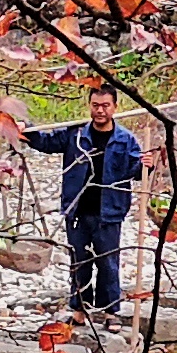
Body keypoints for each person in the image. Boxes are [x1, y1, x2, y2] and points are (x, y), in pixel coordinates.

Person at [23, 88, 145, 317]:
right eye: (95, 105)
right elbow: (46, 143)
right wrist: (26, 129)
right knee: (79, 262)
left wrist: (146, 163)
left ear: (114, 107)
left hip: (109, 212)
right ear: (89, 105)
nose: (100, 110)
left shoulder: (125, 139)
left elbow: (135, 171)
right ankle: (80, 309)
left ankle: (110, 312)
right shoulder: (76, 135)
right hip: (77, 210)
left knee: (108, 263)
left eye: (105, 105)